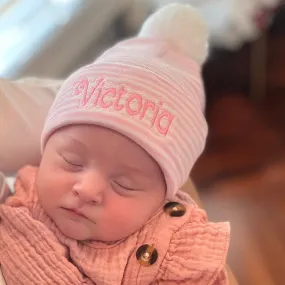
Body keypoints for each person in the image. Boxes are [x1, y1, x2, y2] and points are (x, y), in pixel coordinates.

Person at [0, 4, 232, 284]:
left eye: (124, 184)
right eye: (71, 161)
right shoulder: (21, 198)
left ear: (164, 198)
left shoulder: (175, 248)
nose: (86, 190)